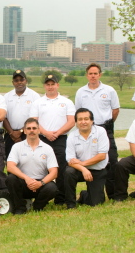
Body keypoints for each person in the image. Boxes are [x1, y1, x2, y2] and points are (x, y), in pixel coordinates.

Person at [74, 63, 120, 199]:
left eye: (95, 73)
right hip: (87, 129)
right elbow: (78, 112)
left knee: (111, 160)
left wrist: (107, 123)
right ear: (87, 75)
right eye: (90, 73)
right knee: (90, 157)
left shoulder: (109, 90)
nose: (93, 76)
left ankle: (113, 195)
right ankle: (94, 192)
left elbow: (115, 110)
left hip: (105, 128)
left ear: (100, 75)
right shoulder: (81, 92)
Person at [29, 74, 76, 205]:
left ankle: (60, 199)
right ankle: (41, 196)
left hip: (60, 139)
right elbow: (34, 121)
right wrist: (46, 133)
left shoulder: (66, 102)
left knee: (61, 169)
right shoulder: (38, 102)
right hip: (42, 139)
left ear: (57, 85)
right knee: (41, 168)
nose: (50, 87)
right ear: (44, 86)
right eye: (47, 84)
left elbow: (71, 121)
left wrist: (58, 133)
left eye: (52, 84)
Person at [6, 118, 58, 214]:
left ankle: (37, 206)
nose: (31, 131)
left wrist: (40, 183)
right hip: (23, 182)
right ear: (24, 131)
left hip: (40, 183)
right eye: (29, 128)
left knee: (52, 188)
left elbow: (54, 173)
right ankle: (20, 208)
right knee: (11, 179)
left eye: (34, 128)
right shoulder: (17, 147)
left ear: (39, 130)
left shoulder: (47, 148)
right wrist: (27, 178)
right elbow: (10, 166)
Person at [64, 108, 109, 209]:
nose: (83, 122)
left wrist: (83, 163)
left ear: (92, 121)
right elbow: (70, 160)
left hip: (97, 170)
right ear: (76, 122)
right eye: (80, 119)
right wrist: (83, 168)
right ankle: (71, 204)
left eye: (86, 119)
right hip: (80, 170)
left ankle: (84, 195)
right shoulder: (72, 136)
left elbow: (102, 156)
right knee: (69, 172)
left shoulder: (100, 132)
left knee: (96, 203)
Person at [3, 69, 40, 157]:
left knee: (28, 160)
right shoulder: (6, 97)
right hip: (10, 135)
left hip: (28, 134)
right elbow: (3, 117)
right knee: (11, 161)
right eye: (16, 80)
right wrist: (12, 133)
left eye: (21, 80)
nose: (19, 82)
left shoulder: (34, 96)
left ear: (26, 81)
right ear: (13, 82)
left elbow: (35, 117)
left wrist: (20, 131)